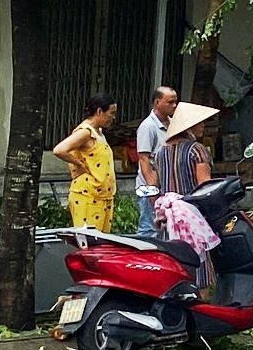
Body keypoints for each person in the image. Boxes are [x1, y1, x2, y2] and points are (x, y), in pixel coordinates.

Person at [51, 93, 120, 231]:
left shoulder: (98, 132)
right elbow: (59, 150)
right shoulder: (85, 132)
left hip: (102, 196)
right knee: (90, 242)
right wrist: (79, 164)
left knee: (102, 244)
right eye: (111, 113)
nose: (113, 117)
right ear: (99, 111)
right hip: (88, 194)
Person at [133, 86, 180, 238]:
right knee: (149, 229)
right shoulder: (148, 127)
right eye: (170, 102)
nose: (174, 105)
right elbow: (143, 158)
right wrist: (151, 189)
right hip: (151, 187)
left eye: (175, 102)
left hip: (168, 186)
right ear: (157, 102)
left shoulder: (174, 124)